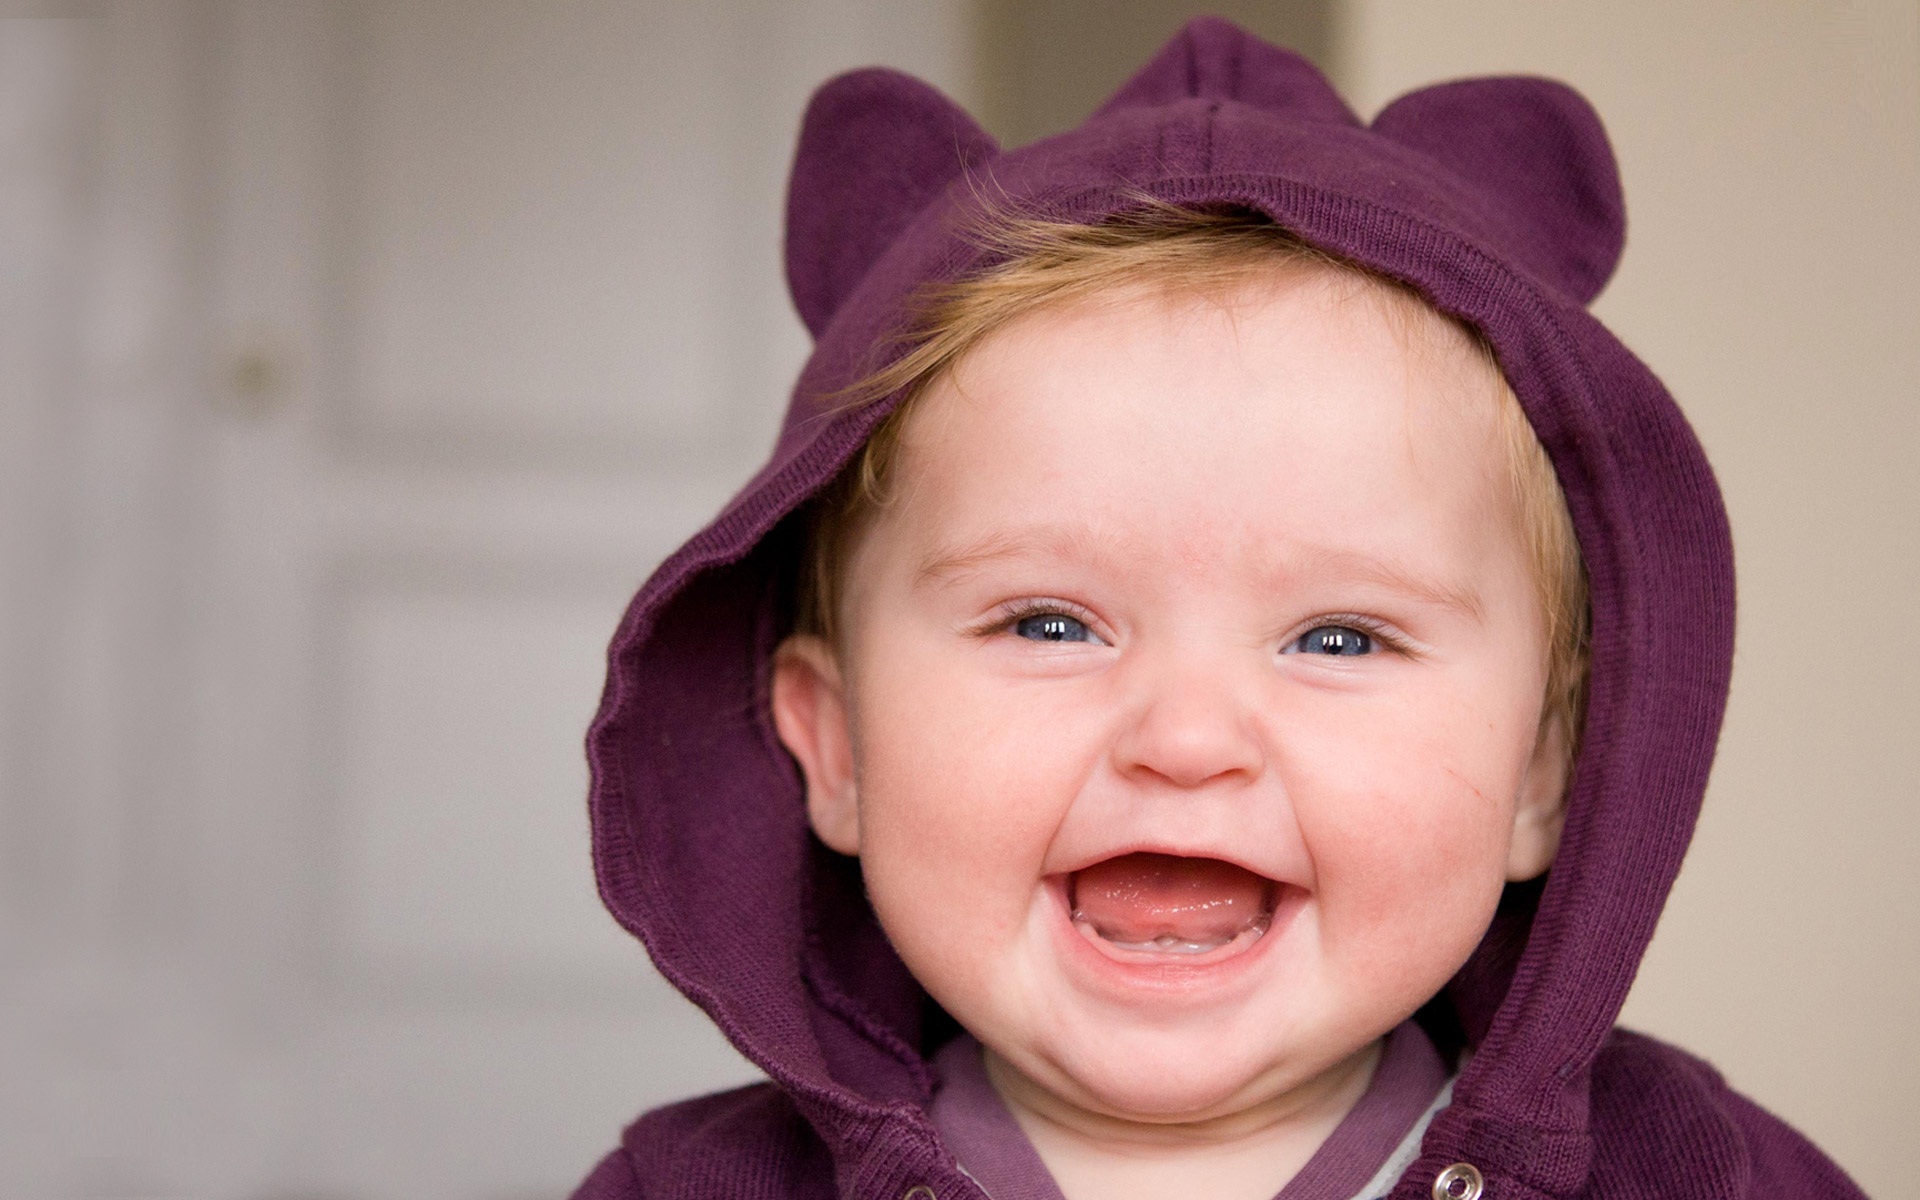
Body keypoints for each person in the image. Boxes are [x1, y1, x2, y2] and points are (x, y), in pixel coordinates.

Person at [571, 19, 1866, 1200]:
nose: (1186, 740)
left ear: (1543, 767)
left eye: (1339, 637)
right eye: (1049, 623)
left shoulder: (1711, 1178)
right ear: (836, 744)